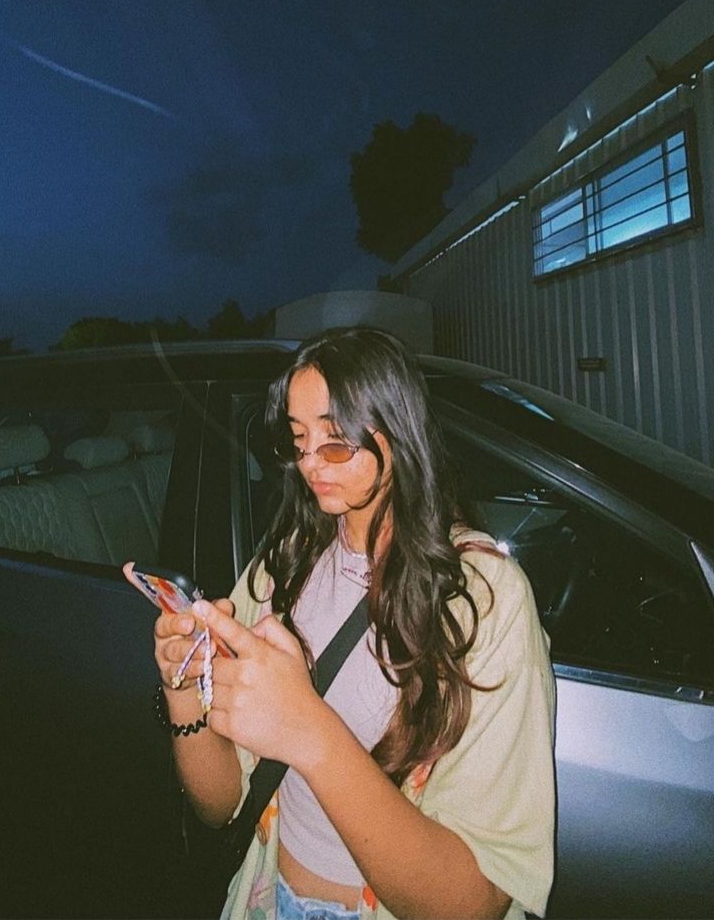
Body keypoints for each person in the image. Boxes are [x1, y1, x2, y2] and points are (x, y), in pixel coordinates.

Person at [132, 328, 555, 920]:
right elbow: (221, 805)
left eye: (335, 442)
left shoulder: (482, 597)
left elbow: (471, 903)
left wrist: (309, 729)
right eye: (298, 440)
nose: (309, 464)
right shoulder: (287, 561)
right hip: (264, 896)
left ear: (398, 432)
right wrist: (184, 686)